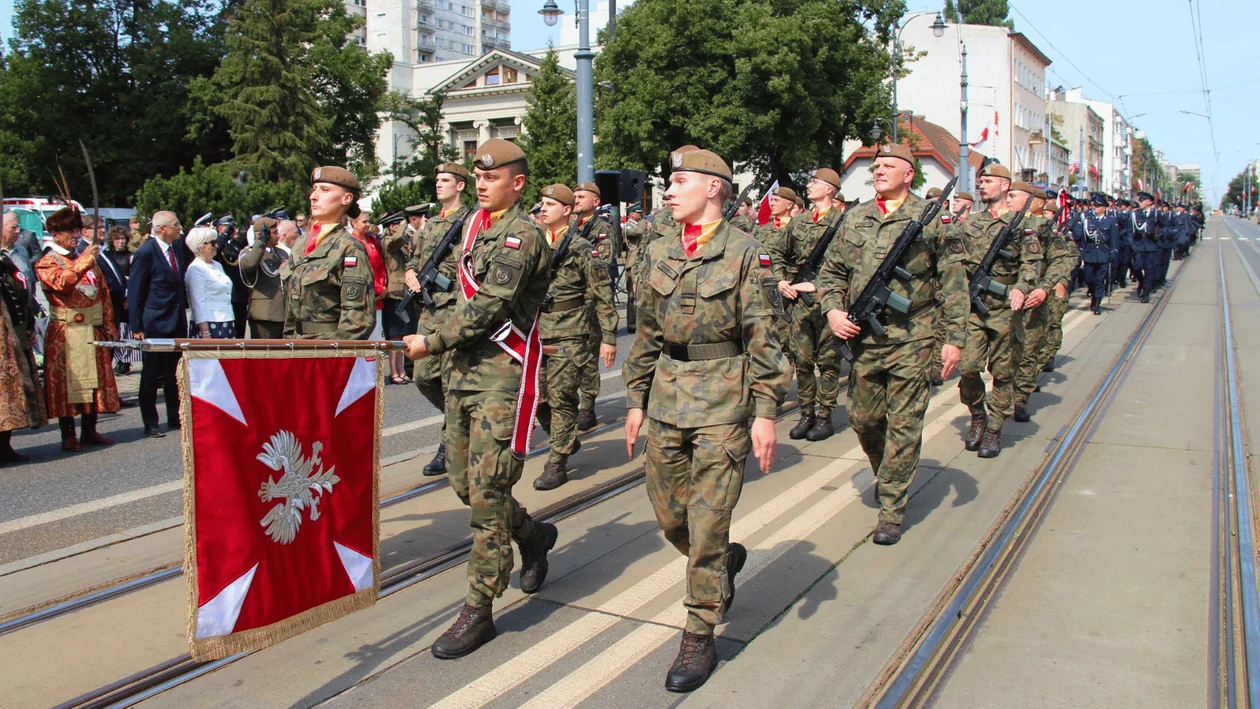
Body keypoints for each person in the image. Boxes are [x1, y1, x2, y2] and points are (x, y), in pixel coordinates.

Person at [622, 146, 786, 692]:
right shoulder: (661, 247)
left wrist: (766, 413)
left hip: (723, 398)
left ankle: (699, 631)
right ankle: (720, 565)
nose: (668, 191)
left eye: (680, 181)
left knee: (709, 520)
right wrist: (635, 398)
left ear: (713, 188)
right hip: (668, 394)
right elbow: (647, 327)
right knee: (673, 518)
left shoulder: (746, 252)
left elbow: (764, 335)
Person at [402, 138, 557, 660]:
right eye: (478, 176)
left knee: (488, 495)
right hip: (461, 371)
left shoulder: (523, 235)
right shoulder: (470, 228)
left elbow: (491, 306)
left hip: (500, 377)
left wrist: (432, 340)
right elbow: (452, 296)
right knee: (464, 485)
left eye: (492, 177)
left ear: (517, 183)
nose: (482, 184)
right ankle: (532, 535)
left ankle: (479, 607)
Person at [821, 142, 968, 545]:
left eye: (889, 165)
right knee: (864, 420)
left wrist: (953, 340)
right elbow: (830, 272)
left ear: (909, 174)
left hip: (914, 335)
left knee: (904, 424)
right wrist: (833, 311)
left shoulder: (932, 219)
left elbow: (954, 285)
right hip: (865, 337)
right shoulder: (856, 218)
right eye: (876, 165)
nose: (879, 170)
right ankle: (887, 473)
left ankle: (892, 508)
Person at [532, 184, 618, 490]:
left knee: (561, 398)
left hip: (571, 331)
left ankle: (557, 462)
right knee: (534, 397)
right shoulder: (533, 243)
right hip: (535, 329)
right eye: (541, 203)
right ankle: (565, 438)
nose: (542, 209)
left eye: (550, 204)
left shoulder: (581, 248)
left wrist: (609, 336)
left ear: (567, 211)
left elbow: (601, 292)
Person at [956, 162, 1042, 458]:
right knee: (967, 366)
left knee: (1003, 372)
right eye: (981, 180)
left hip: (1005, 306)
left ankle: (994, 428)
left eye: (989, 180)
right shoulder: (970, 223)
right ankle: (977, 415)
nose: (982, 184)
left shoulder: (1021, 223)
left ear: (1005, 186)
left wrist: (1021, 286)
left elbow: (1032, 262)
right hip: (973, 306)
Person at [405, 163, 473, 477]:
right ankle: (459, 422)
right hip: (430, 311)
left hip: (455, 310)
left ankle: (449, 444)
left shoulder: (471, 221)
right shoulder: (430, 224)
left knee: (450, 380)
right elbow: (413, 258)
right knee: (422, 376)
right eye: (437, 180)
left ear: (460, 186)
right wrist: (409, 273)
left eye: (445, 180)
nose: (439, 184)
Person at [770, 168, 846, 441]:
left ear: (829, 189)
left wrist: (820, 284)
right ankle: (807, 413)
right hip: (801, 303)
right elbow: (777, 252)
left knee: (827, 362)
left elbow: (850, 264)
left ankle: (824, 416)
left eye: (815, 182)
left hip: (830, 304)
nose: (809, 185)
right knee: (802, 361)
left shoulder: (844, 222)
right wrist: (780, 280)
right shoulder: (799, 222)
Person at [36, 207, 120, 450]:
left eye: (76, 230)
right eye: (69, 231)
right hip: (66, 332)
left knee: (94, 382)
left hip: (92, 329)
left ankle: (90, 429)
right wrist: (85, 260)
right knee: (66, 383)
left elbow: (103, 293)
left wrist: (108, 324)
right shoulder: (47, 262)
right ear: (55, 234)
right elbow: (63, 283)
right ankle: (68, 434)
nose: (75, 235)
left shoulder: (87, 260)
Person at [283, 167, 375, 340]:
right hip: (297, 346)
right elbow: (291, 308)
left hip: (327, 349)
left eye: (324, 190)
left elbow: (357, 319)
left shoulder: (349, 248)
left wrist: (334, 356)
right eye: (314, 189)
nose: (313, 196)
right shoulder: (300, 244)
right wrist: (288, 345)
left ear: (346, 199)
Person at [128, 210, 188, 438]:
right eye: (175, 225)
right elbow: (135, 291)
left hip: (175, 320)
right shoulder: (146, 253)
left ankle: (175, 416)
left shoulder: (176, 248)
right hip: (154, 322)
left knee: (175, 372)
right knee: (151, 374)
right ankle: (150, 422)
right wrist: (137, 327)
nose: (180, 228)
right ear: (162, 228)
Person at [0, 220, 46, 462]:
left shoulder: (11, 258)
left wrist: (29, 322)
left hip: (15, 331)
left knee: (12, 392)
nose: (19, 232)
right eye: (13, 227)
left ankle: (5, 444)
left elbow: (22, 290)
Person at [571, 181, 615, 432]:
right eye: (574, 196)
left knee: (587, 356)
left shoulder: (602, 229)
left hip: (590, 300)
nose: (576, 200)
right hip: (567, 302)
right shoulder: (568, 227)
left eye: (581, 196)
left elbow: (601, 262)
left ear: (595, 201)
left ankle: (587, 406)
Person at [1009, 185, 1054, 423]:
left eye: (1013, 196)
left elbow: (1062, 260)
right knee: (1007, 354)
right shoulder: (1002, 225)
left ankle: (1020, 398)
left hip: (1032, 300)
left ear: (1031, 201)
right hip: (1005, 301)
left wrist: (1044, 288)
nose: (1008, 200)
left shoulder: (1045, 228)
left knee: (1027, 351)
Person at [239, 218, 292, 339]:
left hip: (284, 312)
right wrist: (261, 242)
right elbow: (249, 265)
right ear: (260, 234)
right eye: (273, 233)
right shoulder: (249, 252)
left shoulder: (281, 253)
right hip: (265, 315)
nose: (278, 235)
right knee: (266, 354)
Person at [1071, 192, 1120, 315]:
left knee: (1100, 279)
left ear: (1104, 207)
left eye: (1097, 206)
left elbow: (1114, 239)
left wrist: (1114, 253)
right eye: (1093, 206)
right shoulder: (1087, 219)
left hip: (1103, 253)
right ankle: (1093, 293)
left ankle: (1097, 302)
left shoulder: (1110, 221)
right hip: (1090, 253)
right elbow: (1079, 236)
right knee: (1089, 278)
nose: (1095, 208)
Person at [380, 209, 413, 383]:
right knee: (394, 337)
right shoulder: (388, 241)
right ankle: (394, 372)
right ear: (392, 227)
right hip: (393, 294)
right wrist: (405, 225)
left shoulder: (399, 244)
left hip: (403, 293)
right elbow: (394, 241)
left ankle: (401, 370)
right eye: (399, 225)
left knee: (402, 336)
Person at [185, 226, 236, 338]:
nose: (216, 246)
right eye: (212, 243)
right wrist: (205, 332)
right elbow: (198, 302)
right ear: (200, 247)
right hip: (209, 323)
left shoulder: (217, 265)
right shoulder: (196, 268)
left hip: (226, 319)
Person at [97, 226, 132, 374]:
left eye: (123, 239)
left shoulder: (130, 256)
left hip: (124, 297)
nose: (120, 242)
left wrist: (128, 295)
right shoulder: (107, 255)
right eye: (117, 239)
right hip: (111, 299)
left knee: (125, 330)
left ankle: (125, 360)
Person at [349, 210, 387, 340]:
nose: (368, 224)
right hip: (363, 297)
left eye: (368, 221)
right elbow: (359, 271)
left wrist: (382, 285)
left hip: (378, 297)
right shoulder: (351, 242)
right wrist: (376, 288)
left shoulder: (372, 240)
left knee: (376, 337)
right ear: (354, 223)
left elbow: (380, 264)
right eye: (364, 221)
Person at [622, 203, 649, 332]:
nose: (640, 215)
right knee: (632, 295)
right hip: (632, 264)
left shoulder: (639, 225)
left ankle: (640, 322)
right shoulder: (628, 226)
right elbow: (638, 232)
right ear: (631, 214)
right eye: (638, 213)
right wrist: (644, 221)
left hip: (641, 262)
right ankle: (632, 324)